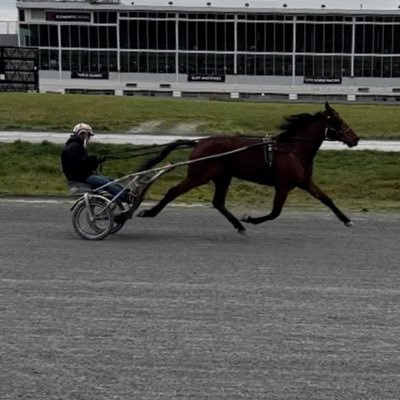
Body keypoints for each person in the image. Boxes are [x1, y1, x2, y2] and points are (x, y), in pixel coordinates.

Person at [61, 123, 131, 203]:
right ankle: (125, 197)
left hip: (83, 175)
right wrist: (95, 160)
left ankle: (126, 194)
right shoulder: (73, 147)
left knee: (110, 180)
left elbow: (84, 161)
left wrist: (96, 160)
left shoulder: (76, 145)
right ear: (82, 133)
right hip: (80, 177)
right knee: (105, 182)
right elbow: (81, 163)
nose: (89, 138)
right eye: (89, 135)